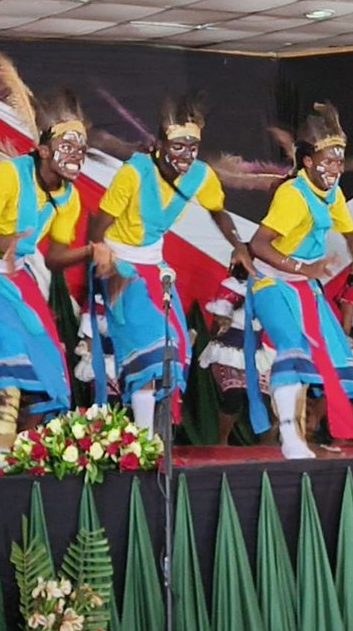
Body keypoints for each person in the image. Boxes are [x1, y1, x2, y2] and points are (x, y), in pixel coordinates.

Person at [0, 66, 101, 468]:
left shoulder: (69, 197)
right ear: (45, 150)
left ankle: (30, 449)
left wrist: (90, 251)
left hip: (15, 278)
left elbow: (52, 257)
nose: (76, 156)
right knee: (12, 352)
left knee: (49, 358)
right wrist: (6, 242)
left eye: (81, 149)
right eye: (68, 146)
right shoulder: (8, 175)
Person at [87, 95, 252, 435]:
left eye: (193, 147)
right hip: (121, 263)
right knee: (151, 347)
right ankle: (147, 439)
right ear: (160, 144)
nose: (186, 156)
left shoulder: (200, 176)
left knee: (175, 347)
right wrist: (101, 255)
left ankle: (155, 435)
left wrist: (238, 246)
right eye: (178, 146)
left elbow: (218, 210)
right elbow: (97, 227)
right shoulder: (134, 173)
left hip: (154, 265)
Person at [245, 102, 353, 460]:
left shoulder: (333, 194)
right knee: (292, 350)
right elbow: (257, 245)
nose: (335, 168)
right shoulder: (293, 196)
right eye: (328, 161)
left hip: (304, 287)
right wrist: (305, 269)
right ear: (308, 162)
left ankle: (303, 434)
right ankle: (289, 439)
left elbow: (351, 234)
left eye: (339, 161)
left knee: (330, 360)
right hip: (272, 284)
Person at [196, 272, 274, 445]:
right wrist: (228, 314)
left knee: (266, 400)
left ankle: (268, 447)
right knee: (234, 395)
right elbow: (219, 321)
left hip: (255, 354)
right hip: (228, 352)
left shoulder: (269, 286)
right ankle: (222, 441)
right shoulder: (231, 285)